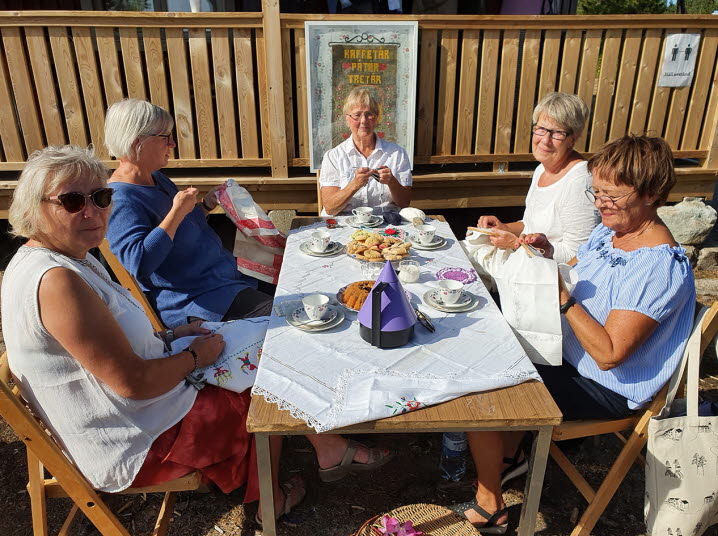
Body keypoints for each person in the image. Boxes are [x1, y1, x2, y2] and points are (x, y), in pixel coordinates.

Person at [2, 146, 394, 526]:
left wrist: (173, 334)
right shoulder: (57, 283)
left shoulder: (61, 258)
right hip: (138, 439)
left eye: (101, 197)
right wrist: (195, 357)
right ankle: (276, 496)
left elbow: (110, 343)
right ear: (34, 208)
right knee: (267, 388)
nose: (93, 211)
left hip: (138, 408)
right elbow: (132, 382)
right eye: (72, 202)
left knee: (267, 346)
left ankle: (325, 449)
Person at [458, 135, 695, 532]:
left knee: (484, 382)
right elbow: (580, 271)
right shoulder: (613, 231)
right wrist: (547, 253)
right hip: (566, 351)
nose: (600, 203)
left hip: (606, 384)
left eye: (612, 195)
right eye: (596, 192)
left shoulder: (658, 266)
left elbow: (610, 353)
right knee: (485, 339)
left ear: (652, 193)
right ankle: (511, 454)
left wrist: (562, 297)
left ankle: (491, 503)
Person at [103, 98, 272, 329]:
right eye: (165, 137)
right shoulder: (120, 199)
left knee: (296, 287)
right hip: (198, 301)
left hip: (224, 279)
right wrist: (176, 212)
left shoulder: (156, 178)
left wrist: (205, 206)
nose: (172, 144)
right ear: (137, 142)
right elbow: (140, 263)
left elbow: (181, 229)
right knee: (288, 315)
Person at [467, 92, 598, 289]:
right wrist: (504, 227)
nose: (545, 140)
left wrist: (515, 244)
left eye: (557, 133)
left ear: (573, 138)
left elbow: (579, 254)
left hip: (547, 283)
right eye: (541, 129)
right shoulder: (542, 168)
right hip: (524, 263)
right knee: (455, 256)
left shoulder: (579, 182)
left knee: (463, 277)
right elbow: (531, 224)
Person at [319, 88, 412, 216]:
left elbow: (405, 203)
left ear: (376, 118)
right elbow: (330, 207)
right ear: (347, 119)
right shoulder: (333, 156)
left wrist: (392, 182)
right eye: (357, 115)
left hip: (386, 224)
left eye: (369, 114)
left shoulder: (397, 153)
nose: (363, 120)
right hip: (344, 224)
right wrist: (354, 185)